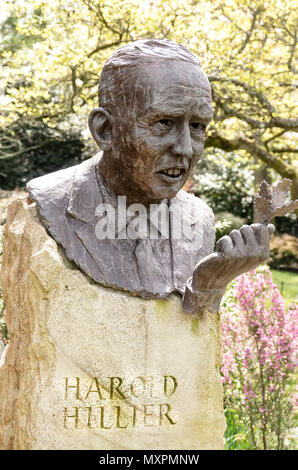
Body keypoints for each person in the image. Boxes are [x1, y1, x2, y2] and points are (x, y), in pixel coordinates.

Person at [26, 39, 273, 314]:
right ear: (106, 130)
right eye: (164, 122)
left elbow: (186, 336)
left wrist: (208, 283)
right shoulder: (50, 203)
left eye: (197, 126)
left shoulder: (199, 219)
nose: (185, 148)